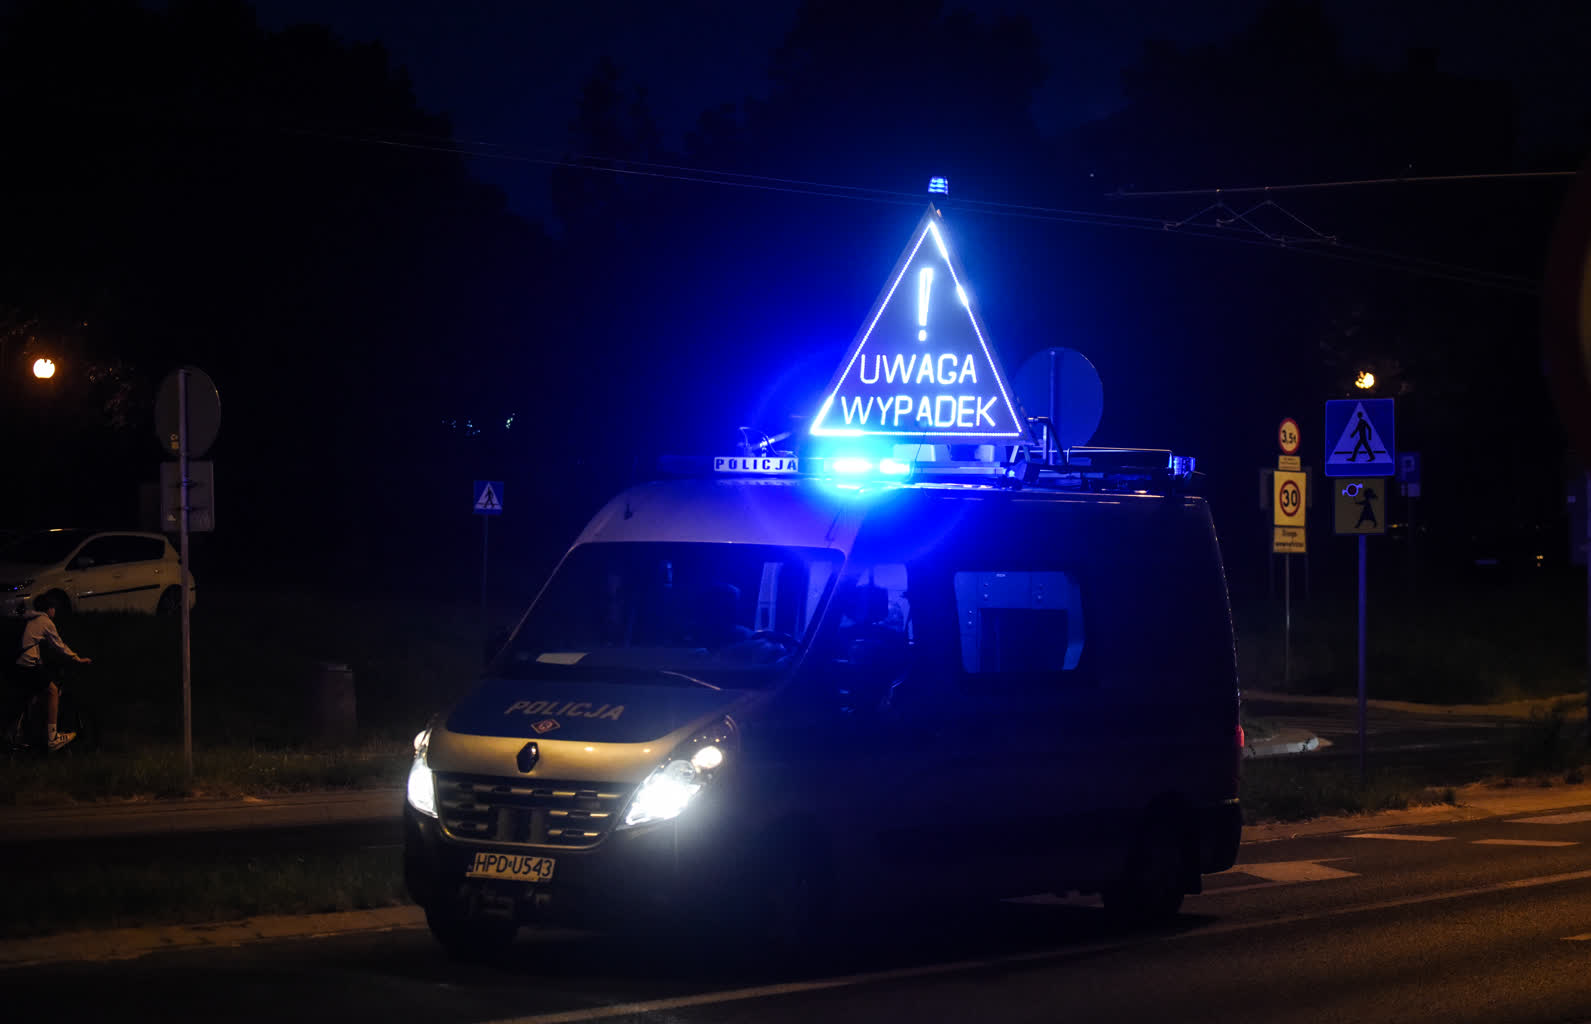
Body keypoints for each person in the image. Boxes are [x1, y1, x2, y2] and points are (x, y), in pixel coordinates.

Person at [10, 594, 90, 751]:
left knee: (36, 694)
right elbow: (59, 645)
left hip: (18, 663)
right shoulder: (45, 621)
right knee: (53, 691)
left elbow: (34, 644)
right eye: (54, 608)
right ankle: (52, 738)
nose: (55, 611)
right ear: (50, 609)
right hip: (27, 665)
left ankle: (18, 732)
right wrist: (77, 658)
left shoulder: (30, 618)